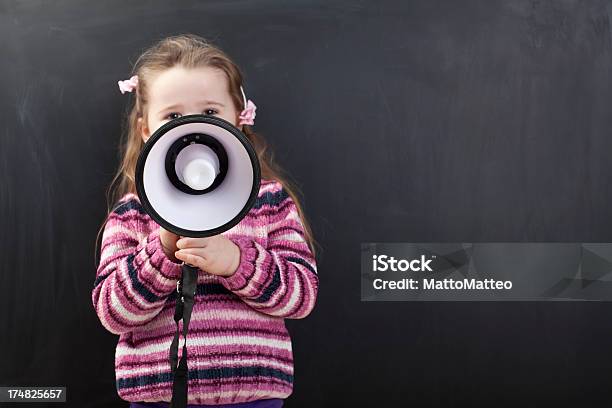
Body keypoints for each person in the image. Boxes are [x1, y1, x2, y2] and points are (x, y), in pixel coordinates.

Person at [92, 33, 319, 407]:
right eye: (173, 116)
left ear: (239, 119)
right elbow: (114, 313)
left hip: (254, 398)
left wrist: (236, 261)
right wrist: (163, 250)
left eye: (211, 113)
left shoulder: (268, 202)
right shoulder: (133, 214)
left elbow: (302, 295)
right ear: (146, 130)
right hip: (158, 399)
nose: (193, 126)